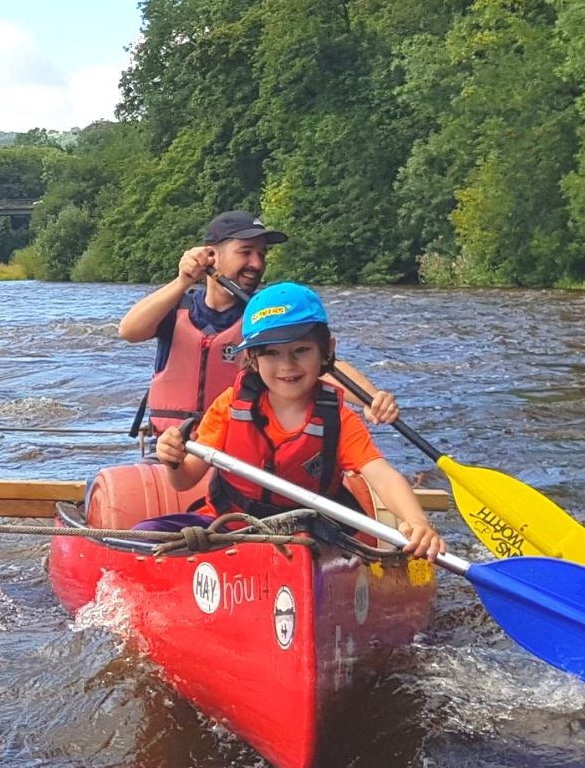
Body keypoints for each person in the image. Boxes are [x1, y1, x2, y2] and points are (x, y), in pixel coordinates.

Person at [146, 282, 444, 558]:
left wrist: (417, 522)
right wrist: (173, 461)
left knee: (302, 553)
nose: (287, 365)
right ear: (253, 358)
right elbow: (184, 480)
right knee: (146, 533)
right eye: (272, 353)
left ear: (326, 351)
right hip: (228, 526)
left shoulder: (338, 419)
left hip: (307, 536)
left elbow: (382, 476)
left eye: (301, 350)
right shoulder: (229, 405)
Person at [117, 210, 397, 432]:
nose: (257, 263)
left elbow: (319, 363)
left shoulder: (265, 315)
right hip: (173, 448)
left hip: (235, 448)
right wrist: (183, 281)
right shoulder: (176, 307)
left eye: (261, 254)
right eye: (246, 252)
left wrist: (372, 400)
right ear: (211, 256)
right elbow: (129, 331)